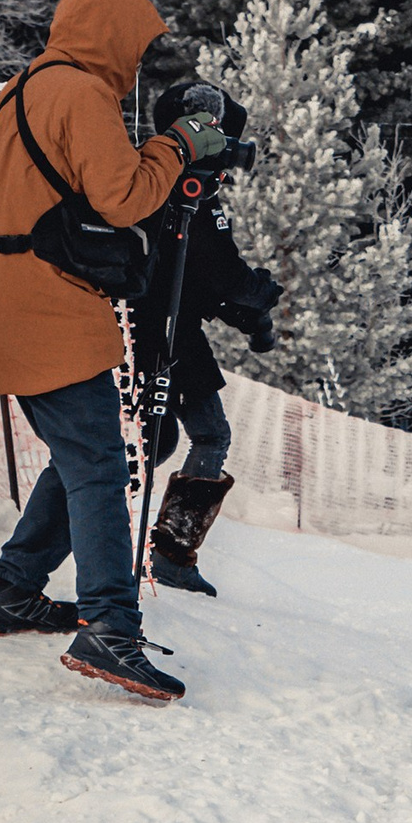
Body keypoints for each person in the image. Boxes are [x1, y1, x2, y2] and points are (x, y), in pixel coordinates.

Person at [0, 0, 231, 702]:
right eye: (135, 47)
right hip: (47, 301)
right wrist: (178, 146)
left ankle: (12, 591)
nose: (137, 64)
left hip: (4, 294)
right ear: (108, 34)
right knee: (101, 466)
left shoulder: (24, 87)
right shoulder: (81, 93)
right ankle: (111, 626)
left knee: (82, 456)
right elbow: (125, 197)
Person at [133, 81, 281, 597]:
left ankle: (124, 537)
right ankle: (169, 555)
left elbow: (191, 274)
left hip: (146, 322)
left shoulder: (151, 177)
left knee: (149, 441)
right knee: (203, 436)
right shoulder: (192, 191)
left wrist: (240, 313)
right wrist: (260, 293)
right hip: (166, 331)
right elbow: (222, 274)